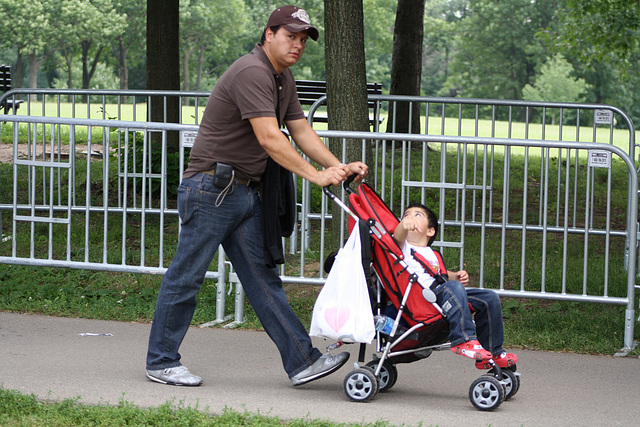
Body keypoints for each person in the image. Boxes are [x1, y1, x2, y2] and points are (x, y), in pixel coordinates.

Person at [145, 5, 368, 387]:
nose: (297, 45)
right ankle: (161, 361)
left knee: (264, 281)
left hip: (246, 193)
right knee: (187, 277)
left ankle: (302, 361)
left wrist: (339, 166)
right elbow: (269, 137)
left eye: (302, 40)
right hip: (211, 189)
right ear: (269, 34)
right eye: (290, 36)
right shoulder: (252, 71)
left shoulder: (284, 78)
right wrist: (316, 175)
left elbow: (300, 131)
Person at [393, 203, 518, 369]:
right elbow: (396, 237)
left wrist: (457, 276)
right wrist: (402, 227)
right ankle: (463, 339)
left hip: (441, 294)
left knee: (489, 298)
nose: (409, 217)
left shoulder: (432, 254)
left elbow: (441, 275)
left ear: (430, 231)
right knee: (452, 287)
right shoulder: (403, 248)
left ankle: (493, 351)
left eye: (417, 215)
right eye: (406, 214)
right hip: (423, 299)